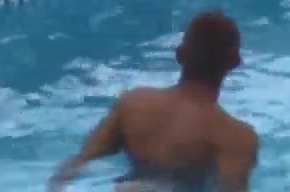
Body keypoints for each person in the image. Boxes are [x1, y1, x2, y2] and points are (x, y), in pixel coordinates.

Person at [48, 11, 259, 192]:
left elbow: (77, 165)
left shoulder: (134, 103)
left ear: (179, 54)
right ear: (235, 63)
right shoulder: (235, 137)